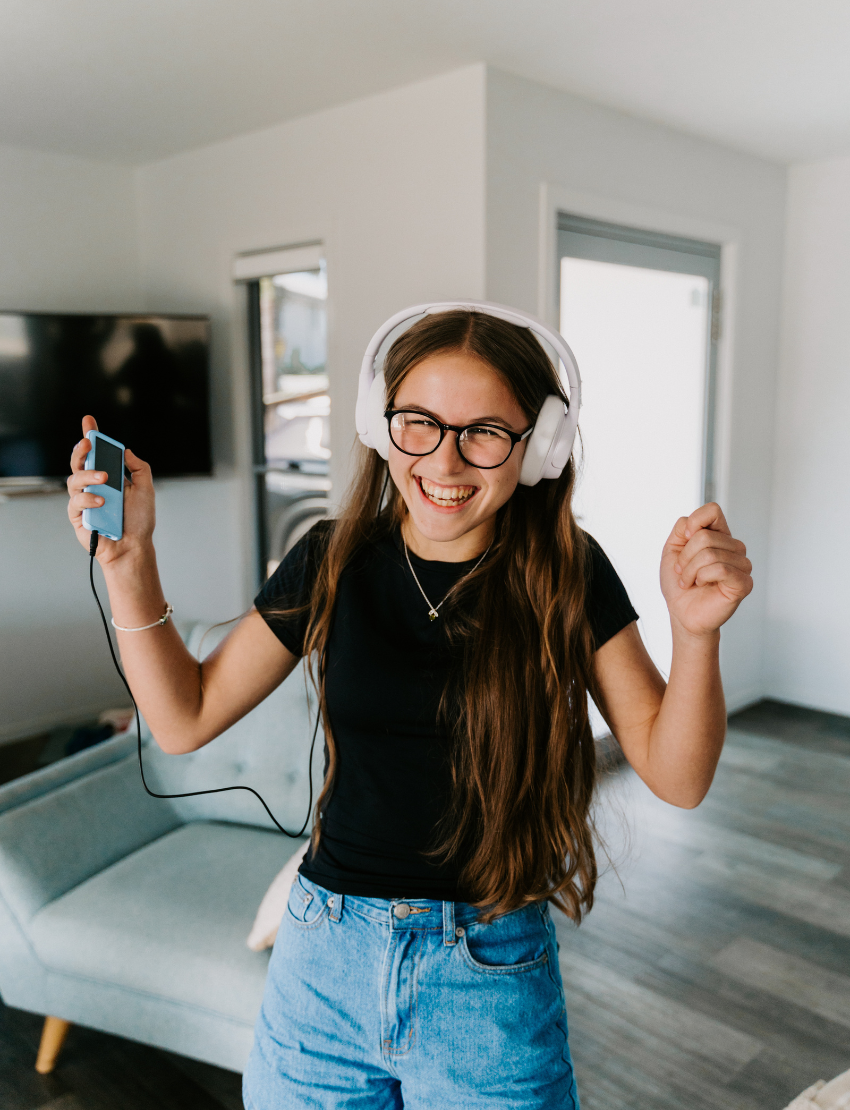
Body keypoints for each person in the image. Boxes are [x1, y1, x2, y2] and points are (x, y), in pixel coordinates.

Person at [66, 307, 753, 1109]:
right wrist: (128, 560)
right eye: (419, 424)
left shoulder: (570, 571)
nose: (446, 459)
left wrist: (695, 636)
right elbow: (183, 717)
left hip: (488, 977)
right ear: (381, 426)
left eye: (485, 431)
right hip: (323, 963)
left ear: (540, 443)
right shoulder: (331, 557)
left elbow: (678, 778)